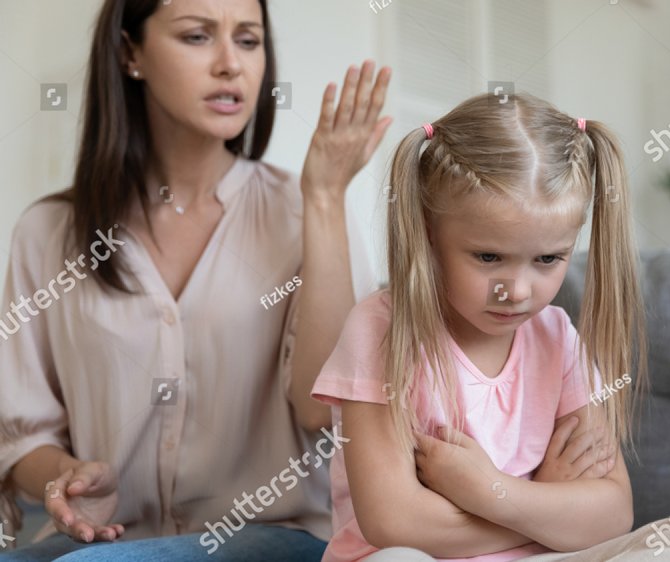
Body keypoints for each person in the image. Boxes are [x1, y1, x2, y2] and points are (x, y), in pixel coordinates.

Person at [0, 0, 391, 560]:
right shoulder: (46, 233)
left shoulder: (305, 211)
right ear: (129, 52)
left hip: (272, 540)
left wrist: (326, 198)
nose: (231, 64)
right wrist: (68, 478)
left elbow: (320, 406)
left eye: (249, 41)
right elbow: (22, 437)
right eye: (197, 37)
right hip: (106, 542)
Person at [310, 93, 670, 561]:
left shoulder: (557, 336)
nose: (518, 290)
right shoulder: (382, 329)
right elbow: (395, 524)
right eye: (488, 257)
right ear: (429, 235)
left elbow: (612, 513)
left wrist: (492, 491)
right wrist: (543, 510)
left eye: (548, 259)